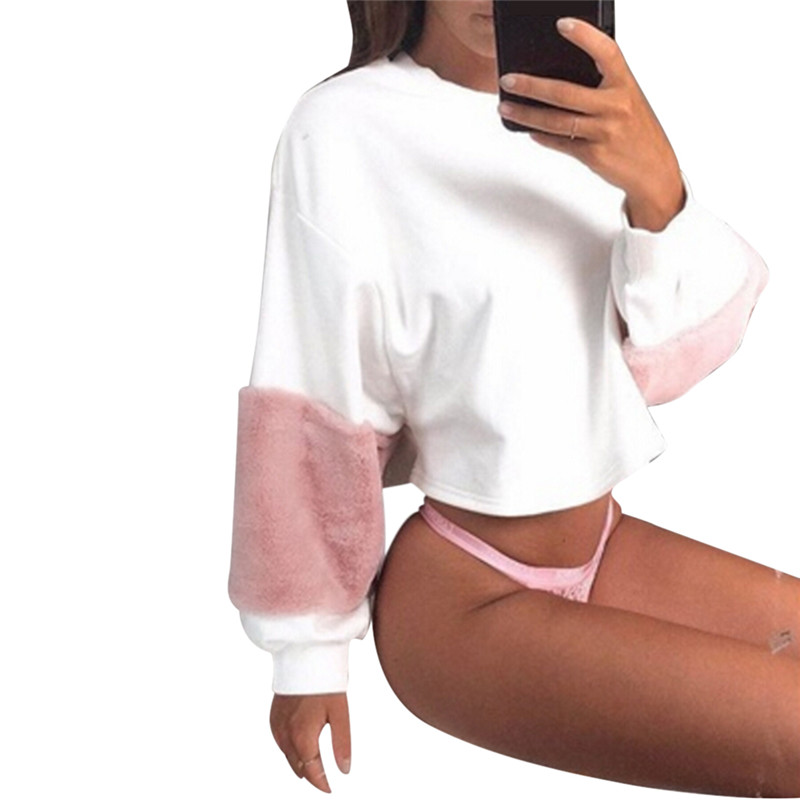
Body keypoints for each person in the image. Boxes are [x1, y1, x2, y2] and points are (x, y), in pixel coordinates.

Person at [227, 1, 799, 795]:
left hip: (604, 545)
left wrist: (658, 186)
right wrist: (306, 656)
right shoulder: (343, 129)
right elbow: (314, 401)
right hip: (463, 595)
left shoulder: (591, 111)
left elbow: (672, 353)